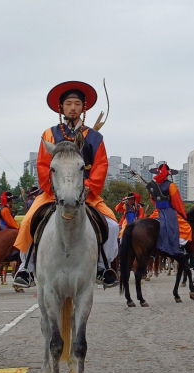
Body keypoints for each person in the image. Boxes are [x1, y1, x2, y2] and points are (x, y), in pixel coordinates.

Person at [13, 81, 119, 288]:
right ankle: (26, 267)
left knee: (113, 226)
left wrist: (88, 186)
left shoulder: (95, 137)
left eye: (77, 103)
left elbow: (101, 165)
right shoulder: (49, 135)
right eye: (68, 103)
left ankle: (102, 266)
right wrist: (53, 187)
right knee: (27, 222)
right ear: (61, 107)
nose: (72, 108)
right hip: (54, 192)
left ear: (83, 107)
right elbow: (43, 165)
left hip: (86, 193)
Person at [146, 164, 192, 255]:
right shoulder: (171, 185)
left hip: (157, 212)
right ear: (168, 174)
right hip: (169, 211)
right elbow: (177, 202)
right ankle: (178, 247)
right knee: (187, 228)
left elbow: (152, 198)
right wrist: (183, 213)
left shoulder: (153, 186)